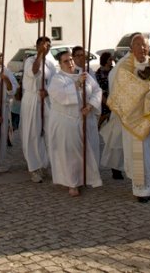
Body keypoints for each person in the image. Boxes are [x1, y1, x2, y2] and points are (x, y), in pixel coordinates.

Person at [107, 33, 150, 203]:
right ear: (131, 48)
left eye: (145, 45)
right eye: (139, 45)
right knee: (138, 154)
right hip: (133, 117)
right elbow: (122, 88)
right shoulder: (125, 67)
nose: (142, 48)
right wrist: (144, 89)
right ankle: (140, 189)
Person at [47, 50, 103, 196]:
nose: (70, 63)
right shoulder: (57, 79)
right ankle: (72, 182)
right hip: (66, 121)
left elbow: (97, 91)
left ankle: (85, 177)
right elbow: (62, 96)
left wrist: (90, 106)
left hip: (86, 118)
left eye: (71, 59)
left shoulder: (84, 74)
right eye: (66, 61)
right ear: (59, 64)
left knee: (87, 150)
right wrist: (77, 84)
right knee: (70, 154)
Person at [20, 37, 55, 183]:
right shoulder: (30, 60)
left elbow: (53, 83)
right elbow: (33, 72)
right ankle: (34, 167)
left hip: (46, 99)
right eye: (42, 45)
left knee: (49, 132)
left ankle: (45, 163)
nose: (45, 47)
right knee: (32, 133)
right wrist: (39, 54)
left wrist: (48, 92)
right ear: (37, 46)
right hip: (32, 98)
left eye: (48, 46)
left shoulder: (50, 64)